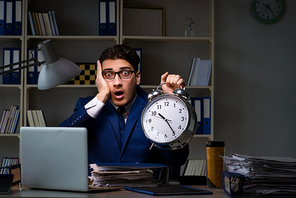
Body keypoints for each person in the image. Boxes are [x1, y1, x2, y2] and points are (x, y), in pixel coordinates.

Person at [59, 45, 189, 176]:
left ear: (137, 78)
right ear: (100, 79)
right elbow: (61, 142)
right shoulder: (88, 108)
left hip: (144, 192)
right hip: (99, 193)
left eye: (125, 73)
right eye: (108, 74)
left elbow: (176, 160)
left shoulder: (155, 107)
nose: (117, 82)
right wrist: (101, 97)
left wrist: (172, 105)